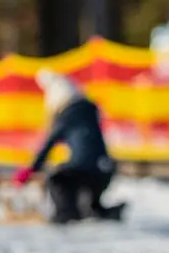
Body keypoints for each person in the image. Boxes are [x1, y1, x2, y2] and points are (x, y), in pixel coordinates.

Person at [17, 69, 123, 223]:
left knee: (58, 179)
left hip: (82, 171)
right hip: (105, 170)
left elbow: (48, 145)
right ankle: (98, 209)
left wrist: (31, 169)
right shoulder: (90, 111)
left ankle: (66, 212)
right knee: (88, 185)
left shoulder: (67, 116)